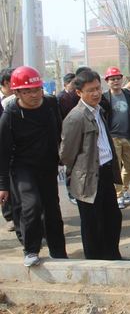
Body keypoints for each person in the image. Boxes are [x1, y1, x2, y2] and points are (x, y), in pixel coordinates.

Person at [0, 66, 68, 267]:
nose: (34, 95)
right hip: (22, 168)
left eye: (37, 89)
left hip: (48, 165)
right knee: (31, 206)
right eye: (27, 91)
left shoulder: (50, 104)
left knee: (52, 209)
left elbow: (59, 131)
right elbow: (2, 153)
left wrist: (62, 159)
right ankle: (31, 249)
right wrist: (3, 185)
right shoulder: (10, 115)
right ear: (17, 93)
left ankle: (59, 251)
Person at [60, 70, 124, 260]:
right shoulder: (76, 117)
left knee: (112, 218)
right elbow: (66, 154)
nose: (96, 93)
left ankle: (112, 256)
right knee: (92, 223)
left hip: (105, 171)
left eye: (98, 88)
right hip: (87, 177)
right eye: (90, 90)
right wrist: (81, 169)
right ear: (79, 92)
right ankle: (95, 261)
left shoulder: (99, 110)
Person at [103, 66, 130, 209]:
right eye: (112, 79)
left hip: (129, 136)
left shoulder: (128, 95)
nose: (115, 81)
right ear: (107, 81)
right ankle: (119, 195)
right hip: (113, 137)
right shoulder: (104, 98)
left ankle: (124, 189)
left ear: (122, 79)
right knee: (116, 168)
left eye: (117, 78)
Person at [0, 67, 15, 231]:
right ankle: (9, 215)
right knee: (4, 183)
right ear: (5, 83)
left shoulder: (20, 98)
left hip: (16, 148)